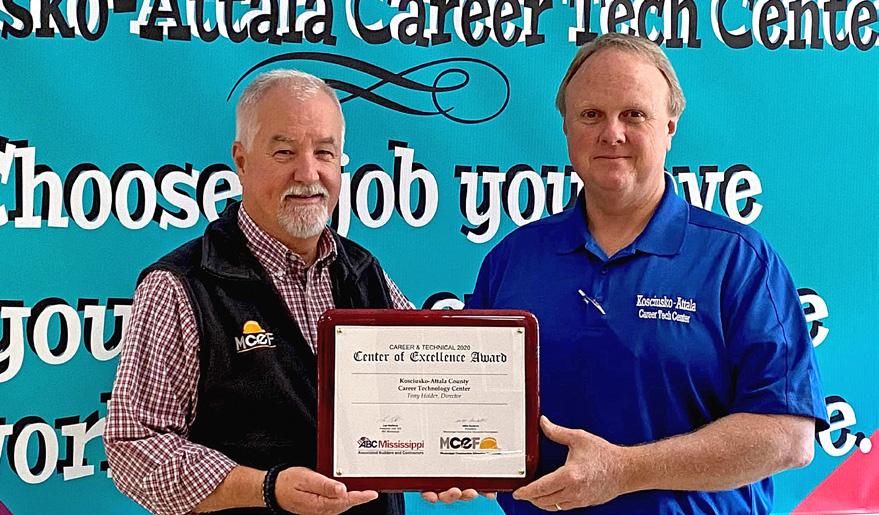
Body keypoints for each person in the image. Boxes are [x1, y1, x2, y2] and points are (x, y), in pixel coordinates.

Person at [465, 33, 827, 514]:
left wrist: (623, 470)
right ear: (567, 127)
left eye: (634, 114)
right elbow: (470, 405)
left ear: (669, 127)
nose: (611, 133)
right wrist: (450, 462)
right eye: (591, 115)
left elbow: (788, 436)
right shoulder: (513, 259)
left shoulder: (739, 261)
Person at [104, 70, 421, 515]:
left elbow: (421, 395)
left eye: (324, 152)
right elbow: (135, 447)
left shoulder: (364, 271)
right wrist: (266, 488)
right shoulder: (180, 286)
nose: (308, 173)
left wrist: (448, 462)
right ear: (241, 160)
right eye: (284, 152)